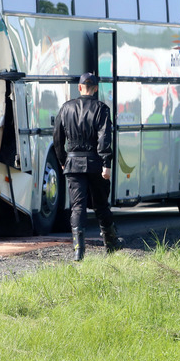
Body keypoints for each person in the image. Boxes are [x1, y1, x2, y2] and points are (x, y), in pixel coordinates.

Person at [53, 72, 121, 261]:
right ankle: (111, 244)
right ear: (96, 88)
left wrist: (62, 160)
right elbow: (104, 138)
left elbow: (57, 139)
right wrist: (106, 163)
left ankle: (78, 250)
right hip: (95, 163)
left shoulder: (65, 108)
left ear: (79, 87)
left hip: (73, 163)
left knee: (77, 207)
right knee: (100, 205)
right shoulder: (102, 109)